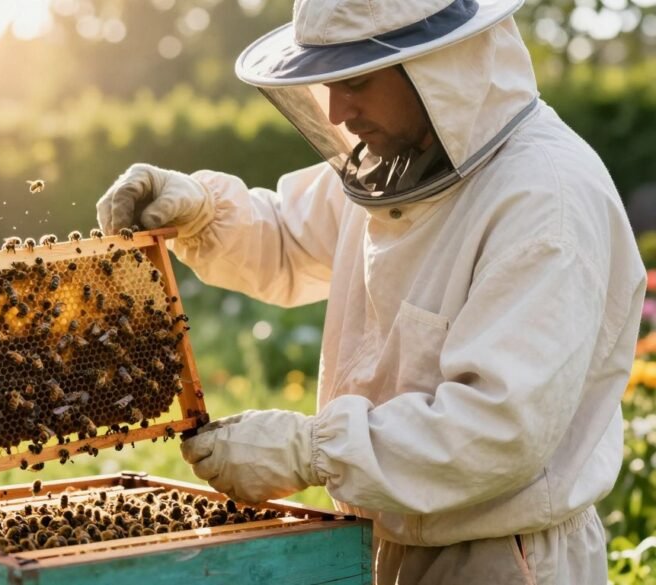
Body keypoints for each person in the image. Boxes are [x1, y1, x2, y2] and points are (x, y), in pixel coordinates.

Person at [95, 0, 647, 583]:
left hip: (500, 559)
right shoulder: (405, 159)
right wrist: (202, 212)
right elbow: (289, 239)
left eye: (355, 80)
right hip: (389, 541)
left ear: (439, 65)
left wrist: (309, 450)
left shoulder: (543, 201)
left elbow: (498, 428)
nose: (337, 108)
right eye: (328, 82)